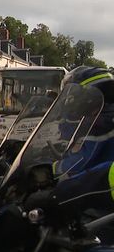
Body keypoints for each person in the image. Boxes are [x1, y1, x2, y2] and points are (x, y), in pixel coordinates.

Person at [26, 67, 114, 223]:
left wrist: (48, 171)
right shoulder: (102, 119)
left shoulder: (100, 125)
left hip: (101, 209)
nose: (69, 100)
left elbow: (76, 166)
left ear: (87, 98)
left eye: (73, 95)